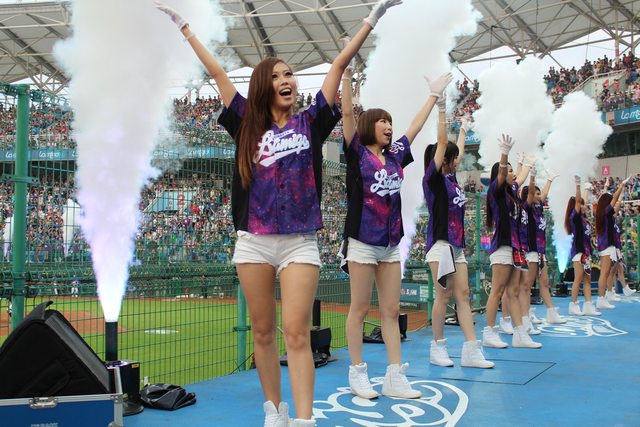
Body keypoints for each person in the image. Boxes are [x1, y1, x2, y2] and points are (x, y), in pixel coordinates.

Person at [156, 1, 403, 425]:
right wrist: (185, 28)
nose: (286, 80)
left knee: (297, 333)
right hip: (253, 241)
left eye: (289, 74)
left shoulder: (312, 121)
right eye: (276, 76)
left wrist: (372, 17)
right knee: (263, 331)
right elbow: (217, 74)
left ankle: (304, 420)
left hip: (299, 242)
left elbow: (338, 65)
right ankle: (275, 410)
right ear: (262, 87)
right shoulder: (245, 122)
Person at [339, 65, 448, 400]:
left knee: (390, 310)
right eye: (383, 121)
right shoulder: (357, 153)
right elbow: (346, 113)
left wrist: (434, 96)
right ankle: (357, 372)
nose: (389, 126)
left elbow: (415, 126)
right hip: (361, 242)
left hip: (389, 243)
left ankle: (394, 376)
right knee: (359, 309)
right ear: (369, 125)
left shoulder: (396, 155)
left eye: (390, 121)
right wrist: (346, 77)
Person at [423, 110, 494, 368]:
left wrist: (463, 130)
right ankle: (437, 347)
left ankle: (471, 349)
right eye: (452, 159)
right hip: (440, 245)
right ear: (443, 159)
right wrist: (442, 112)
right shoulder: (432, 180)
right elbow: (443, 144)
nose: (457, 162)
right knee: (443, 296)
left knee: (463, 294)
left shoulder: (451, 178)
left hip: (457, 247)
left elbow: (458, 152)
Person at [481, 138, 541, 349]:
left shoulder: (512, 192)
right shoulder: (496, 192)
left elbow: (521, 179)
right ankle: (489, 332)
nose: (514, 174)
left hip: (516, 248)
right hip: (502, 247)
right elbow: (502, 173)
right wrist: (504, 154)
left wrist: (528, 165)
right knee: (497, 291)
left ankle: (520, 334)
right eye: (510, 171)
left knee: (513, 291)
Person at [519, 169, 567, 327]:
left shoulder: (538, 207)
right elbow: (532, 193)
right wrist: (532, 177)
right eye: (536, 194)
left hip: (540, 251)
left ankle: (551, 312)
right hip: (531, 250)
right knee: (527, 285)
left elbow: (544, 195)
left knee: (544, 282)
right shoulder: (526, 208)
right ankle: (526, 315)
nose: (540, 197)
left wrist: (550, 180)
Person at [566, 177, 601, 316]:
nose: (583, 205)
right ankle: (573, 305)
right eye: (580, 203)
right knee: (578, 278)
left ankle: (588, 306)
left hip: (587, 252)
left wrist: (586, 189)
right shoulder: (574, 217)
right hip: (578, 252)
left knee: (587, 279)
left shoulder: (583, 218)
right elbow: (579, 201)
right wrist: (578, 185)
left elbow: (583, 201)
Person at [594, 176, 630, 310]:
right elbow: (614, 198)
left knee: (606, 272)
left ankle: (603, 297)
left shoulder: (603, 213)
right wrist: (622, 185)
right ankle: (601, 299)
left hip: (606, 246)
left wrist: (606, 186)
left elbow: (608, 199)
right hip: (607, 246)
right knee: (605, 273)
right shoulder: (605, 212)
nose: (612, 204)